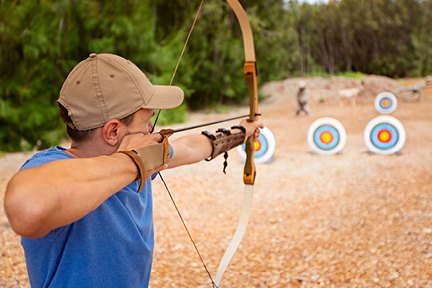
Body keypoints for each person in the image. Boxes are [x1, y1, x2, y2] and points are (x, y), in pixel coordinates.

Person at [4, 53, 263, 288]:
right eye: (147, 120)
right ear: (113, 131)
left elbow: (191, 146)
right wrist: (132, 161)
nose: (152, 128)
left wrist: (240, 133)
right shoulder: (53, 168)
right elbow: (27, 207)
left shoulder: (141, 157)